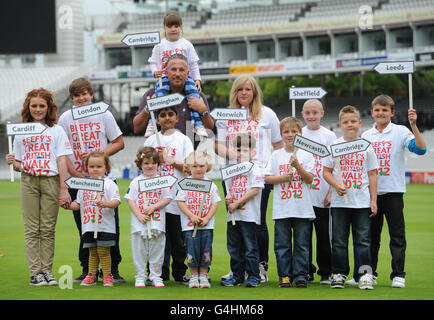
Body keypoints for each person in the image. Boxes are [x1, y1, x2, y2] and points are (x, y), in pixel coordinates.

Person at [215, 74, 283, 282]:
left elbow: (279, 145)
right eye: (240, 89)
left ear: (254, 92)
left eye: (248, 89)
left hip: (258, 176)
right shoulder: (226, 115)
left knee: (258, 222)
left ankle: (259, 266)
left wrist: (269, 169)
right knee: (236, 222)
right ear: (234, 92)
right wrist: (232, 155)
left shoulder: (267, 114)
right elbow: (218, 144)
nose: (244, 92)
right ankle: (238, 269)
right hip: (233, 176)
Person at [58, 77, 125, 283]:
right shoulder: (66, 118)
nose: (81, 98)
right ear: (72, 98)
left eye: (84, 94)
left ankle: (112, 270)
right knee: (85, 228)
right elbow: (62, 152)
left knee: (110, 226)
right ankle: (88, 270)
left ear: (91, 94)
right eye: (76, 95)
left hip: (104, 181)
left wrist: (98, 155)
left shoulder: (103, 113)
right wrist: (76, 176)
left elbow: (119, 142)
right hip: (78, 180)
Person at [358, 95, 426, 288]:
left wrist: (414, 125)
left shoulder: (400, 131)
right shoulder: (366, 135)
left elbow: (420, 149)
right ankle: (369, 274)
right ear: (372, 112)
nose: (381, 113)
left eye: (385, 110)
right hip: (371, 194)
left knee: (397, 236)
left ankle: (398, 274)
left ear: (392, 112)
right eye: (377, 110)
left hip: (394, 191)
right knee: (371, 238)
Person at [5, 88, 72, 286]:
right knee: (32, 229)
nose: (37, 109)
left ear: (49, 107)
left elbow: (61, 160)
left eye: (42, 106)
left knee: (48, 229)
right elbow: (18, 164)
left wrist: (64, 188)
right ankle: (35, 273)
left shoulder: (57, 130)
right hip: (28, 181)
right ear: (28, 107)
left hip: (51, 180)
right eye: (33, 106)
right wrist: (12, 161)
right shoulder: (21, 131)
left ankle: (47, 271)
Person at [323, 105, 378, 290]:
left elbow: (372, 174)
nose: (350, 125)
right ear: (340, 124)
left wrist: (373, 200)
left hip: (361, 202)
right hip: (340, 203)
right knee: (338, 240)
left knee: (362, 240)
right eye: (346, 122)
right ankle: (338, 274)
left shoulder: (366, 147)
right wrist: (335, 185)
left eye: (353, 121)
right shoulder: (334, 146)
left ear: (360, 123)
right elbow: (326, 172)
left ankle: (364, 275)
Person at [144, 106, 193, 284]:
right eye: (162, 115)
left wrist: (169, 160)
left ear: (177, 117)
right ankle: (158, 273)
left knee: (178, 240)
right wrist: (155, 159)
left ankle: (180, 273)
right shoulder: (151, 140)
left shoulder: (183, 140)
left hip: (176, 197)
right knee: (157, 238)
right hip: (156, 199)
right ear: (157, 120)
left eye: (170, 114)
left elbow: (189, 168)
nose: (166, 118)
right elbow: (144, 167)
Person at [264, 117, 316, 288]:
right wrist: (282, 178)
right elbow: (267, 178)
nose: (290, 134)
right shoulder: (276, 155)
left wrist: (298, 167)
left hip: (302, 208)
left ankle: (301, 275)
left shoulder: (307, 154)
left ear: (300, 133)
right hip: (282, 209)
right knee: (282, 245)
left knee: (302, 245)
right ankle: (284, 275)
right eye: (286, 131)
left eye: (294, 131)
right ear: (281, 134)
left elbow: (310, 179)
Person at [133, 54, 214, 148]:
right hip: (158, 157)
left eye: (182, 70)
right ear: (166, 72)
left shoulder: (197, 96)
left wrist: (203, 111)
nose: (177, 74)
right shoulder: (152, 94)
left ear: (188, 73)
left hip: (189, 157)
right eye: (173, 69)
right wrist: (149, 108)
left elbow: (210, 131)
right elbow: (137, 128)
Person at [146, 12, 207, 139]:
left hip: (186, 78)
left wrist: (197, 79)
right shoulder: (159, 45)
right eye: (170, 26)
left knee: (194, 98)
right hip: (164, 78)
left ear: (181, 27)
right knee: (159, 99)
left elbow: (193, 64)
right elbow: (152, 62)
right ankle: (152, 123)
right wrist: (154, 72)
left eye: (176, 26)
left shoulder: (186, 44)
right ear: (164, 28)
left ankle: (198, 124)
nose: (173, 29)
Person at [65, 151, 121, 287]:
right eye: (91, 167)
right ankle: (91, 275)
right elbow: (78, 204)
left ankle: (107, 275)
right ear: (87, 168)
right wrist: (67, 205)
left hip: (105, 226)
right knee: (92, 252)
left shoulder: (109, 184)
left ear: (106, 168)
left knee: (103, 251)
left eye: (99, 166)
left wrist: (106, 203)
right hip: (89, 226)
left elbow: (116, 201)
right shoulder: (84, 185)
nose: (95, 169)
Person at [125, 147, 172, 288]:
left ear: (158, 164)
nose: (150, 166)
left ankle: (156, 276)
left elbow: (168, 198)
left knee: (157, 251)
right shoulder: (135, 182)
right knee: (139, 252)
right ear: (140, 165)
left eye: (153, 163)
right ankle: (140, 277)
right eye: (146, 163)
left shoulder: (162, 181)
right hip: (140, 224)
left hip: (157, 223)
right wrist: (139, 215)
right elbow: (130, 199)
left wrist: (153, 207)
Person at [221, 133, 264, 288]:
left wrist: (237, 203)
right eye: (238, 150)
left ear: (251, 152)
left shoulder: (255, 168)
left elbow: (255, 190)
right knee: (234, 248)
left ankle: (254, 276)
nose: (240, 153)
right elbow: (229, 189)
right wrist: (229, 197)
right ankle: (237, 276)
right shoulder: (231, 169)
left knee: (250, 248)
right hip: (233, 215)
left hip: (248, 215)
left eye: (244, 150)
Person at [301, 99, 336, 284]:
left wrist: (331, 192)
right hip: (304, 195)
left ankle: (326, 271)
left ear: (322, 113)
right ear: (302, 114)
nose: (311, 116)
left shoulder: (329, 136)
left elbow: (333, 167)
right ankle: (306, 270)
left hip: (323, 195)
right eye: (308, 113)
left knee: (323, 236)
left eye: (315, 112)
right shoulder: (299, 134)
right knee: (303, 237)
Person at [176, 151, 221, 288]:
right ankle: (194, 276)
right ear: (189, 168)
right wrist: (191, 216)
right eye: (194, 166)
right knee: (192, 250)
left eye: (201, 166)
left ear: (207, 166)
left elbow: (215, 203)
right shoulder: (185, 183)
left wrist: (207, 217)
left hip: (206, 226)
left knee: (206, 251)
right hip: (190, 226)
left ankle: (204, 275)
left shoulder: (211, 185)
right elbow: (180, 202)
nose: (198, 169)